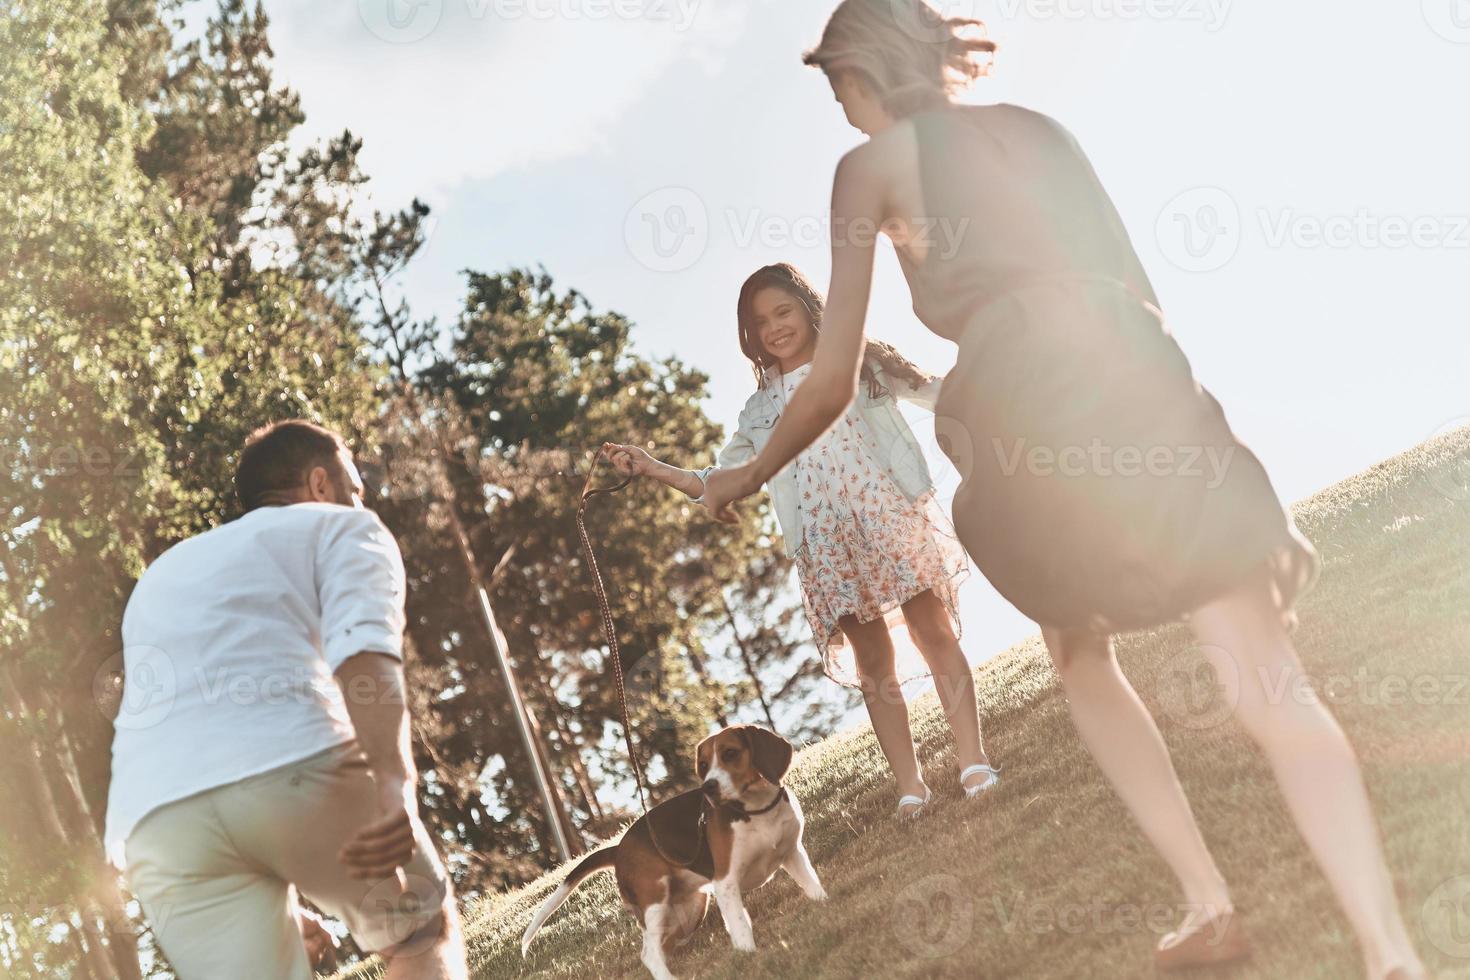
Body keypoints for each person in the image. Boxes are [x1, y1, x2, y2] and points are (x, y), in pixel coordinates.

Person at [699, 2, 1426, 976]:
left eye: (837, 88)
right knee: (1261, 663)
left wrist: (747, 471)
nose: (839, 111)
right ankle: (1390, 953)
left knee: (1079, 646)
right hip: (1137, 370)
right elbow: (1139, 290)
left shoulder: (868, 169)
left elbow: (832, 380)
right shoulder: (1042, 131)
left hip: (1026, 392)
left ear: (863, 72)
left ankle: (1210, 900)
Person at [606, 262, 1001, 819]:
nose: (774, 328)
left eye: (783, 311)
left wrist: (996, 350)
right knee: (872, 660)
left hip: (888, 514)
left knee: (931, 630)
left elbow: (941, 393)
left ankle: (973, 761)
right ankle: (911, 785)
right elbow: (719, 480)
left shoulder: (862, 362)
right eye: (760, 322)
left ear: (809, 308)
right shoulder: (760, 409)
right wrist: (654, 469)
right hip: (825, 542)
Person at [103, 420, 469, 980]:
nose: (359, 498)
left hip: (156, 822)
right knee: (422, 933)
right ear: (321, 482)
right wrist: (396, 783)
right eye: (355, 485)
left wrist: (271, 895)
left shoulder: (162, 572)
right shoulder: (342, 526)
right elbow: (363, 657)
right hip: (299, 768)